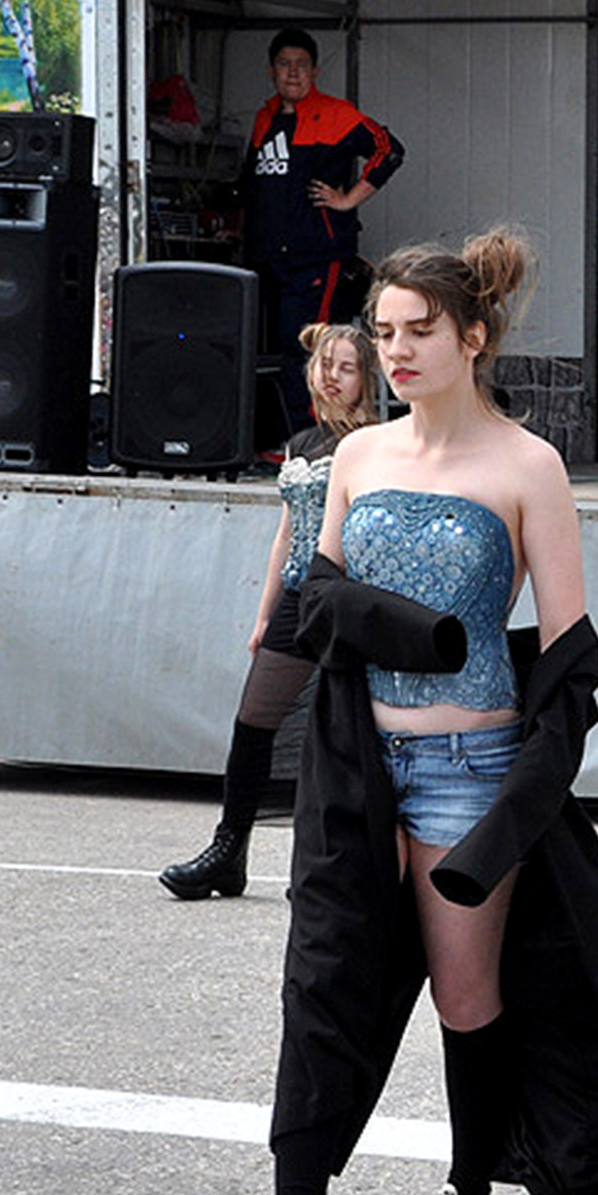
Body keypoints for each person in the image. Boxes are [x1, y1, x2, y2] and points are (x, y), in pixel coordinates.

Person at [209, 229, 598, 1195]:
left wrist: (516, 810)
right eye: (382, 332)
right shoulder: (357, 458)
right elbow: (316, 607)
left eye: (417, 332)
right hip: (357, 762)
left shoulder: (528, 467)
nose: (394, 351)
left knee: (465, 993)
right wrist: (409, 630)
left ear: (472, 339)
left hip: (471, 768)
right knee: (324, 984)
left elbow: (573, 660)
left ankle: (468, 1193)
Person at [159, 320, 381, 898]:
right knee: (253, 722)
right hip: (297, 595)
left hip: (348, 598)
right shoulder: (303, 442)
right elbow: (285, 534)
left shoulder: (377, 443)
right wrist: (264, 613)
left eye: (347, 368)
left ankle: (330, 864)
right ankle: (228, 851)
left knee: (344, 738)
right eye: (325, 365)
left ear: (368, 380)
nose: (331, 377)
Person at [239, 27, 405, 440]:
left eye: (301, 65)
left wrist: (349, 198)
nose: (292, 73)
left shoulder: (337, 113)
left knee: (310, 350)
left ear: (314, 71)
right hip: (268, 257)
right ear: (271, 71)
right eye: (284, 64)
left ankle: (317, 440)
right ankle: (281, 440)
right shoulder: (265, 118)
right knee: (275, 352)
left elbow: (390, 150)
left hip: (316, 256)